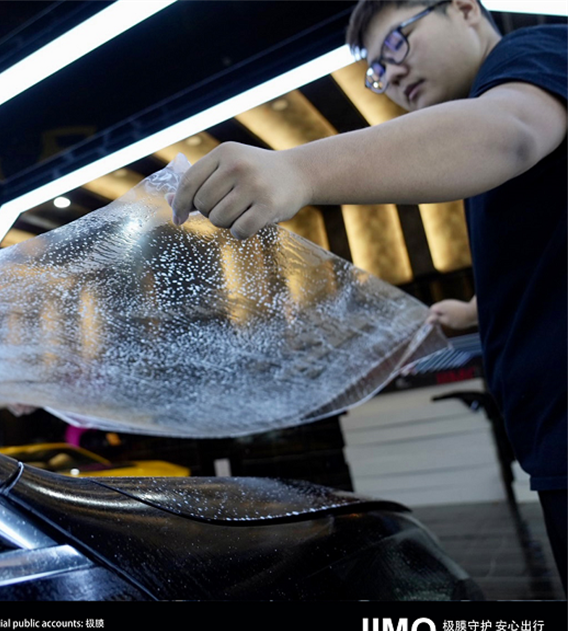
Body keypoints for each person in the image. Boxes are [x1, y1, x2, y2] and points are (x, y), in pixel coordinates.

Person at [170, 0, 568, 593]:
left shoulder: (530, 54)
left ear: (463, 8)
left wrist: (299, 171)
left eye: (398, 43)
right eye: (377, 70)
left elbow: (510, 133)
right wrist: (472, 314)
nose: (392, 74)